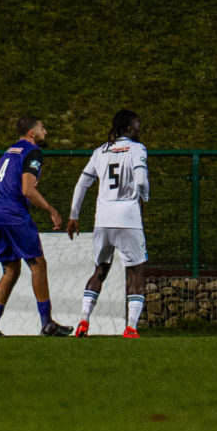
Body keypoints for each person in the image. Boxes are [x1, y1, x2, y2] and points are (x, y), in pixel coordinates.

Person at [0, 118, 70, 336]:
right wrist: (52, 210)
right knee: (38, 264)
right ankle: (47, 323)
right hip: (14, 215)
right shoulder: (32, 152)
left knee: (11, 270)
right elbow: (27, 190)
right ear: (32, 132)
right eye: (42, 129)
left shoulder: (7, 153)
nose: (45, 132)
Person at [69, 110, 152, 337]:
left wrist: (73, 216)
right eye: (137, 124)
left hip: (103, 220)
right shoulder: (137, 149)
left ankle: (84, 321)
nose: (140, 128)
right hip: (127, 218)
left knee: (100, 270)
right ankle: (131, 328)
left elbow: (82, 184)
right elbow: (142, 180)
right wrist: (144, 198)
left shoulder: (100, 151)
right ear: (128, 128)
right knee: (136, 272)